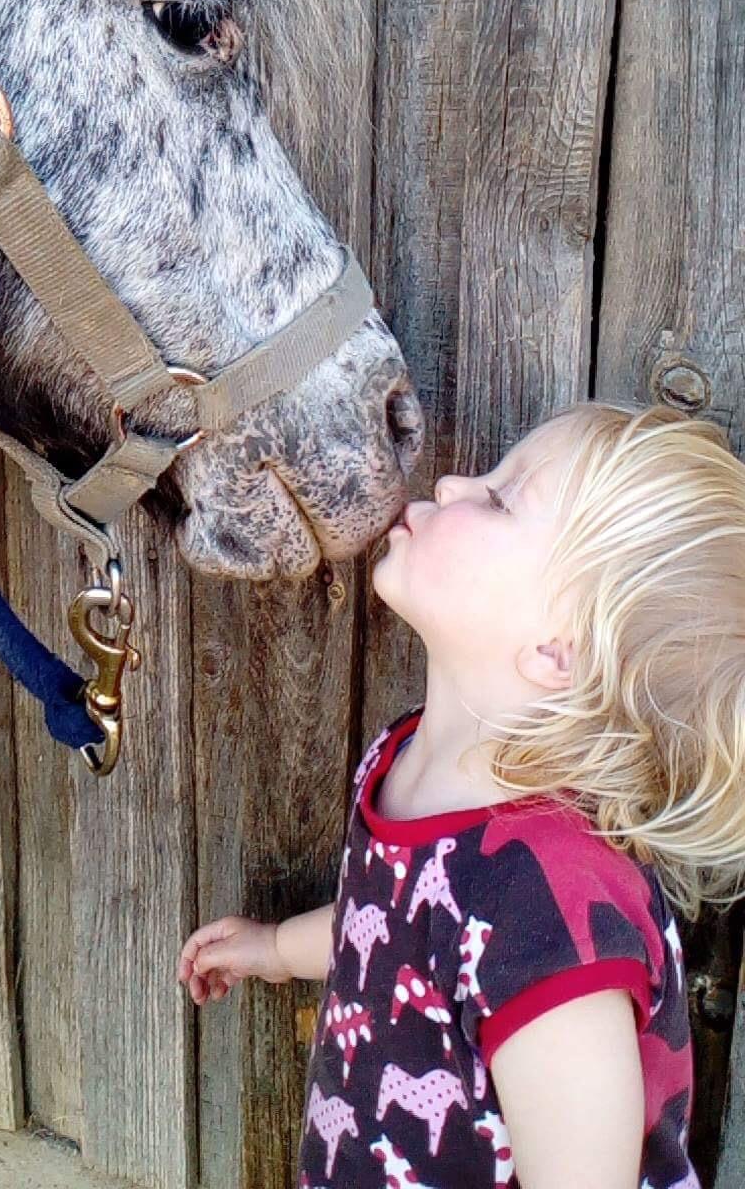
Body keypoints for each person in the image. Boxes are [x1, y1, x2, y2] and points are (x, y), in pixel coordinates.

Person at [179, 403, 745, 1187]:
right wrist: (277, 950)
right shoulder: (407, 754)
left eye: (502, 499)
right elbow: (389, 922)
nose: (450, 482)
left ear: (559, 649)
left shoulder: (548, 917)